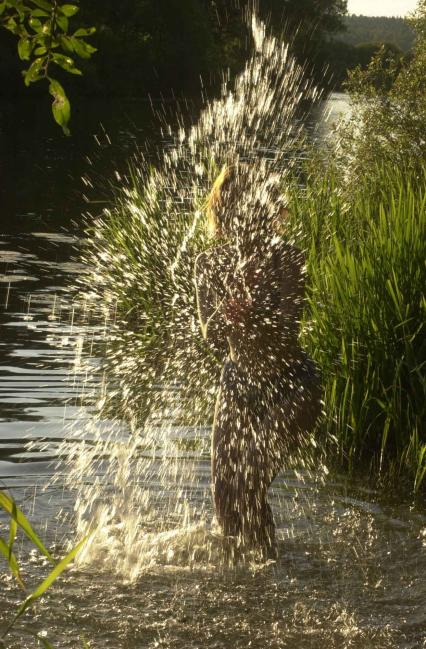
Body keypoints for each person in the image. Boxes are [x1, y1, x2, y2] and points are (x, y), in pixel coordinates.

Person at [194, 163, 321, 559]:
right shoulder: (209, 264)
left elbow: (286, 329)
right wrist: (227, 312)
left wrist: (250, 305)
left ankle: (268, 571)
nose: (242, 217)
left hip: (291, 386)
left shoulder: (287, 259)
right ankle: (245, 578)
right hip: (236, 385)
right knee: (224, 500)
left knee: (249, 481)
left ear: (265, 209)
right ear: (224, 213)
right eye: (231, 208)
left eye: (250, 206)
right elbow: (211, 336)